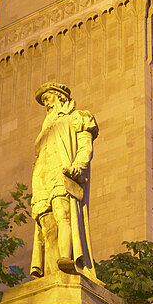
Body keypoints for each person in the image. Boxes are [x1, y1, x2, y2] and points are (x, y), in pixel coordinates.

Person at [30, 82, 98, 279]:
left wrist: (78, 165)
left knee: (63, 214)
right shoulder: (45, 127)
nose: (46, 104)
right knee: (47, 225)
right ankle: (51, 271)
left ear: (60, 97)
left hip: (62, 172)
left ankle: (65, 258)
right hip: (42, 176)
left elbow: (85, 147)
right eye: (43, 101)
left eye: (48, 98)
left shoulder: (78, 117)